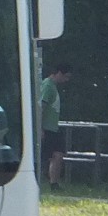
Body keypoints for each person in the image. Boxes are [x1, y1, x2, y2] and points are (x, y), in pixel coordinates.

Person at [40, 60, 73, 192]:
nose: (66, 80)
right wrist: (40, 127)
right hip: (47, 128)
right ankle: (49, 182)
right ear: (59, 73)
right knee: (49, 156)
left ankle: (54, 183)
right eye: (66, 76)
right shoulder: (48, 86)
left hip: (53, 127)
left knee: (58, 154)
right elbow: (42, 106)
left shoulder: (52, 86)